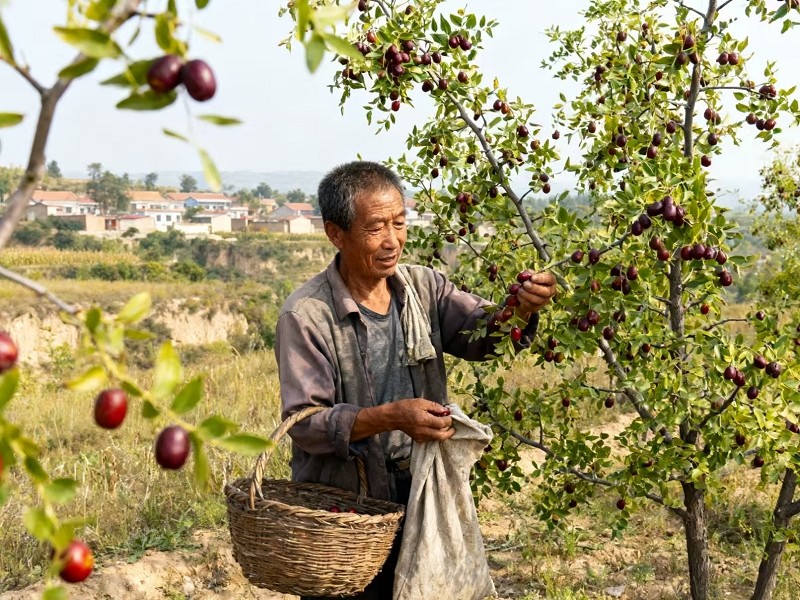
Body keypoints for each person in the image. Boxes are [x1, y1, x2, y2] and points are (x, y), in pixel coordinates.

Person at [275, 161, 557, 600]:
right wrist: (389, 417)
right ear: (336, 233)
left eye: (399, 222)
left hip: (423, 492)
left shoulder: (424, 288)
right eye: (375, 229)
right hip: (348, 511)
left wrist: (520, 310)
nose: (392, 241)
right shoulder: (307, 315)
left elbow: (483, 335)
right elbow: (306, 422)